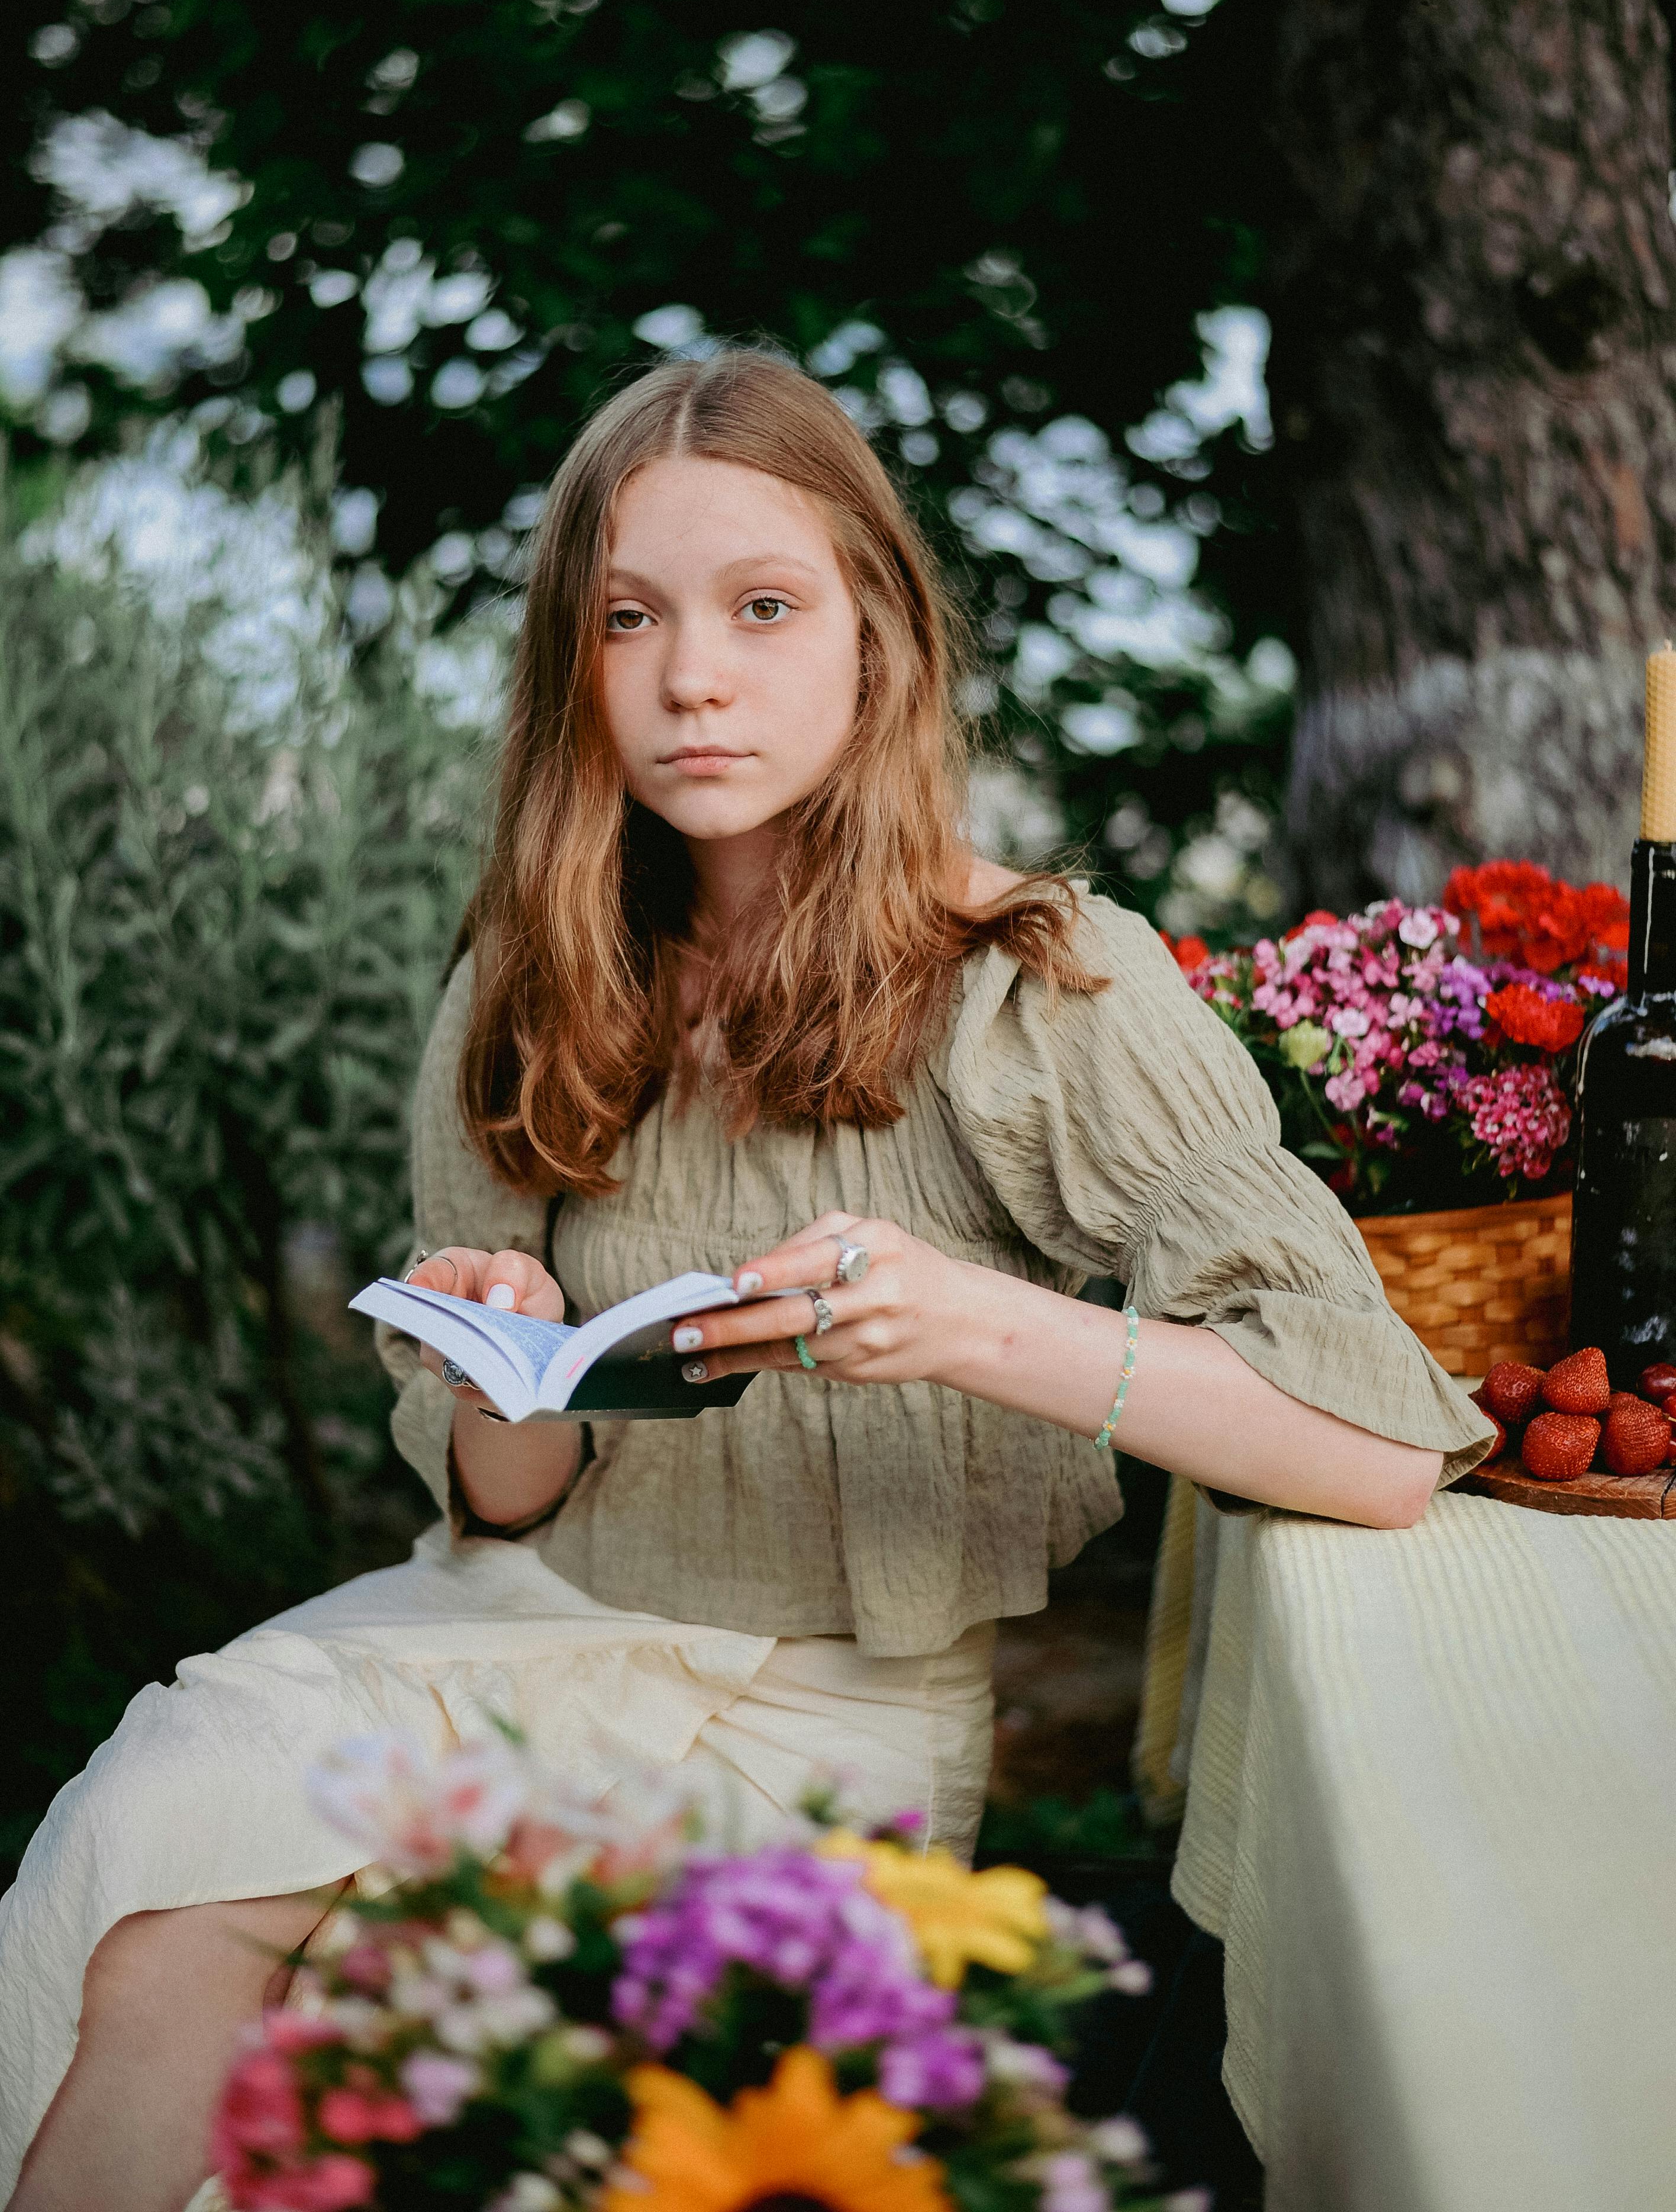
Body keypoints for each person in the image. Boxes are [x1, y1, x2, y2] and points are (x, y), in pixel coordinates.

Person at [0, 349, 1492, 2211]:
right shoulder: (529, 980)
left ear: (874, 634)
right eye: (629, 619)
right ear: (575, 660)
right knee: (148, 1873)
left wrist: (974, 1322)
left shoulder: (1048, 985)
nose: (692, 675)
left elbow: (1377, 1448)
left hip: (827, 1721)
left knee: (454, 2086)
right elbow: (504, 1498)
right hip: (508, 1626)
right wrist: (502, 1382)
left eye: (763, 608)